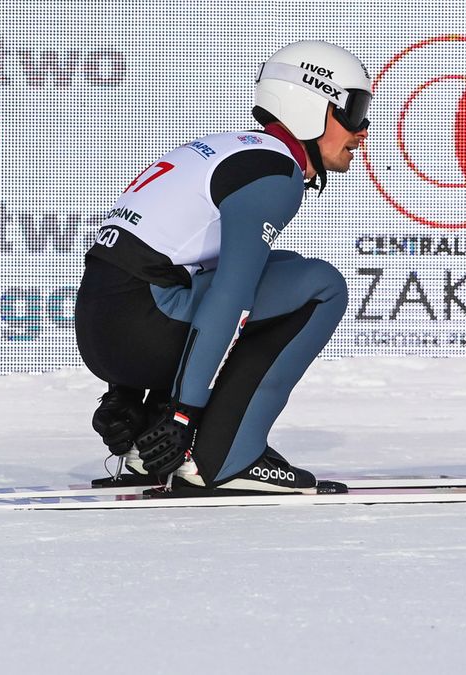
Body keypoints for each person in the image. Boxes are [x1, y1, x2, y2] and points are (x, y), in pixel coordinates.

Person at [75, 40, 372, 495]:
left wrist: (125, 397)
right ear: (313, 104)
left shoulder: (228, 150)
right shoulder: (275, 172)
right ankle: (227, 457)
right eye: (353, 109)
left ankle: (145, 452)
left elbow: (136, 262)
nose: (363, 129)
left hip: (106, 322)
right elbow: (231, 298)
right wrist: (181, 414)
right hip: (139, 324)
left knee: (288, 268)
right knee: (323, 286)